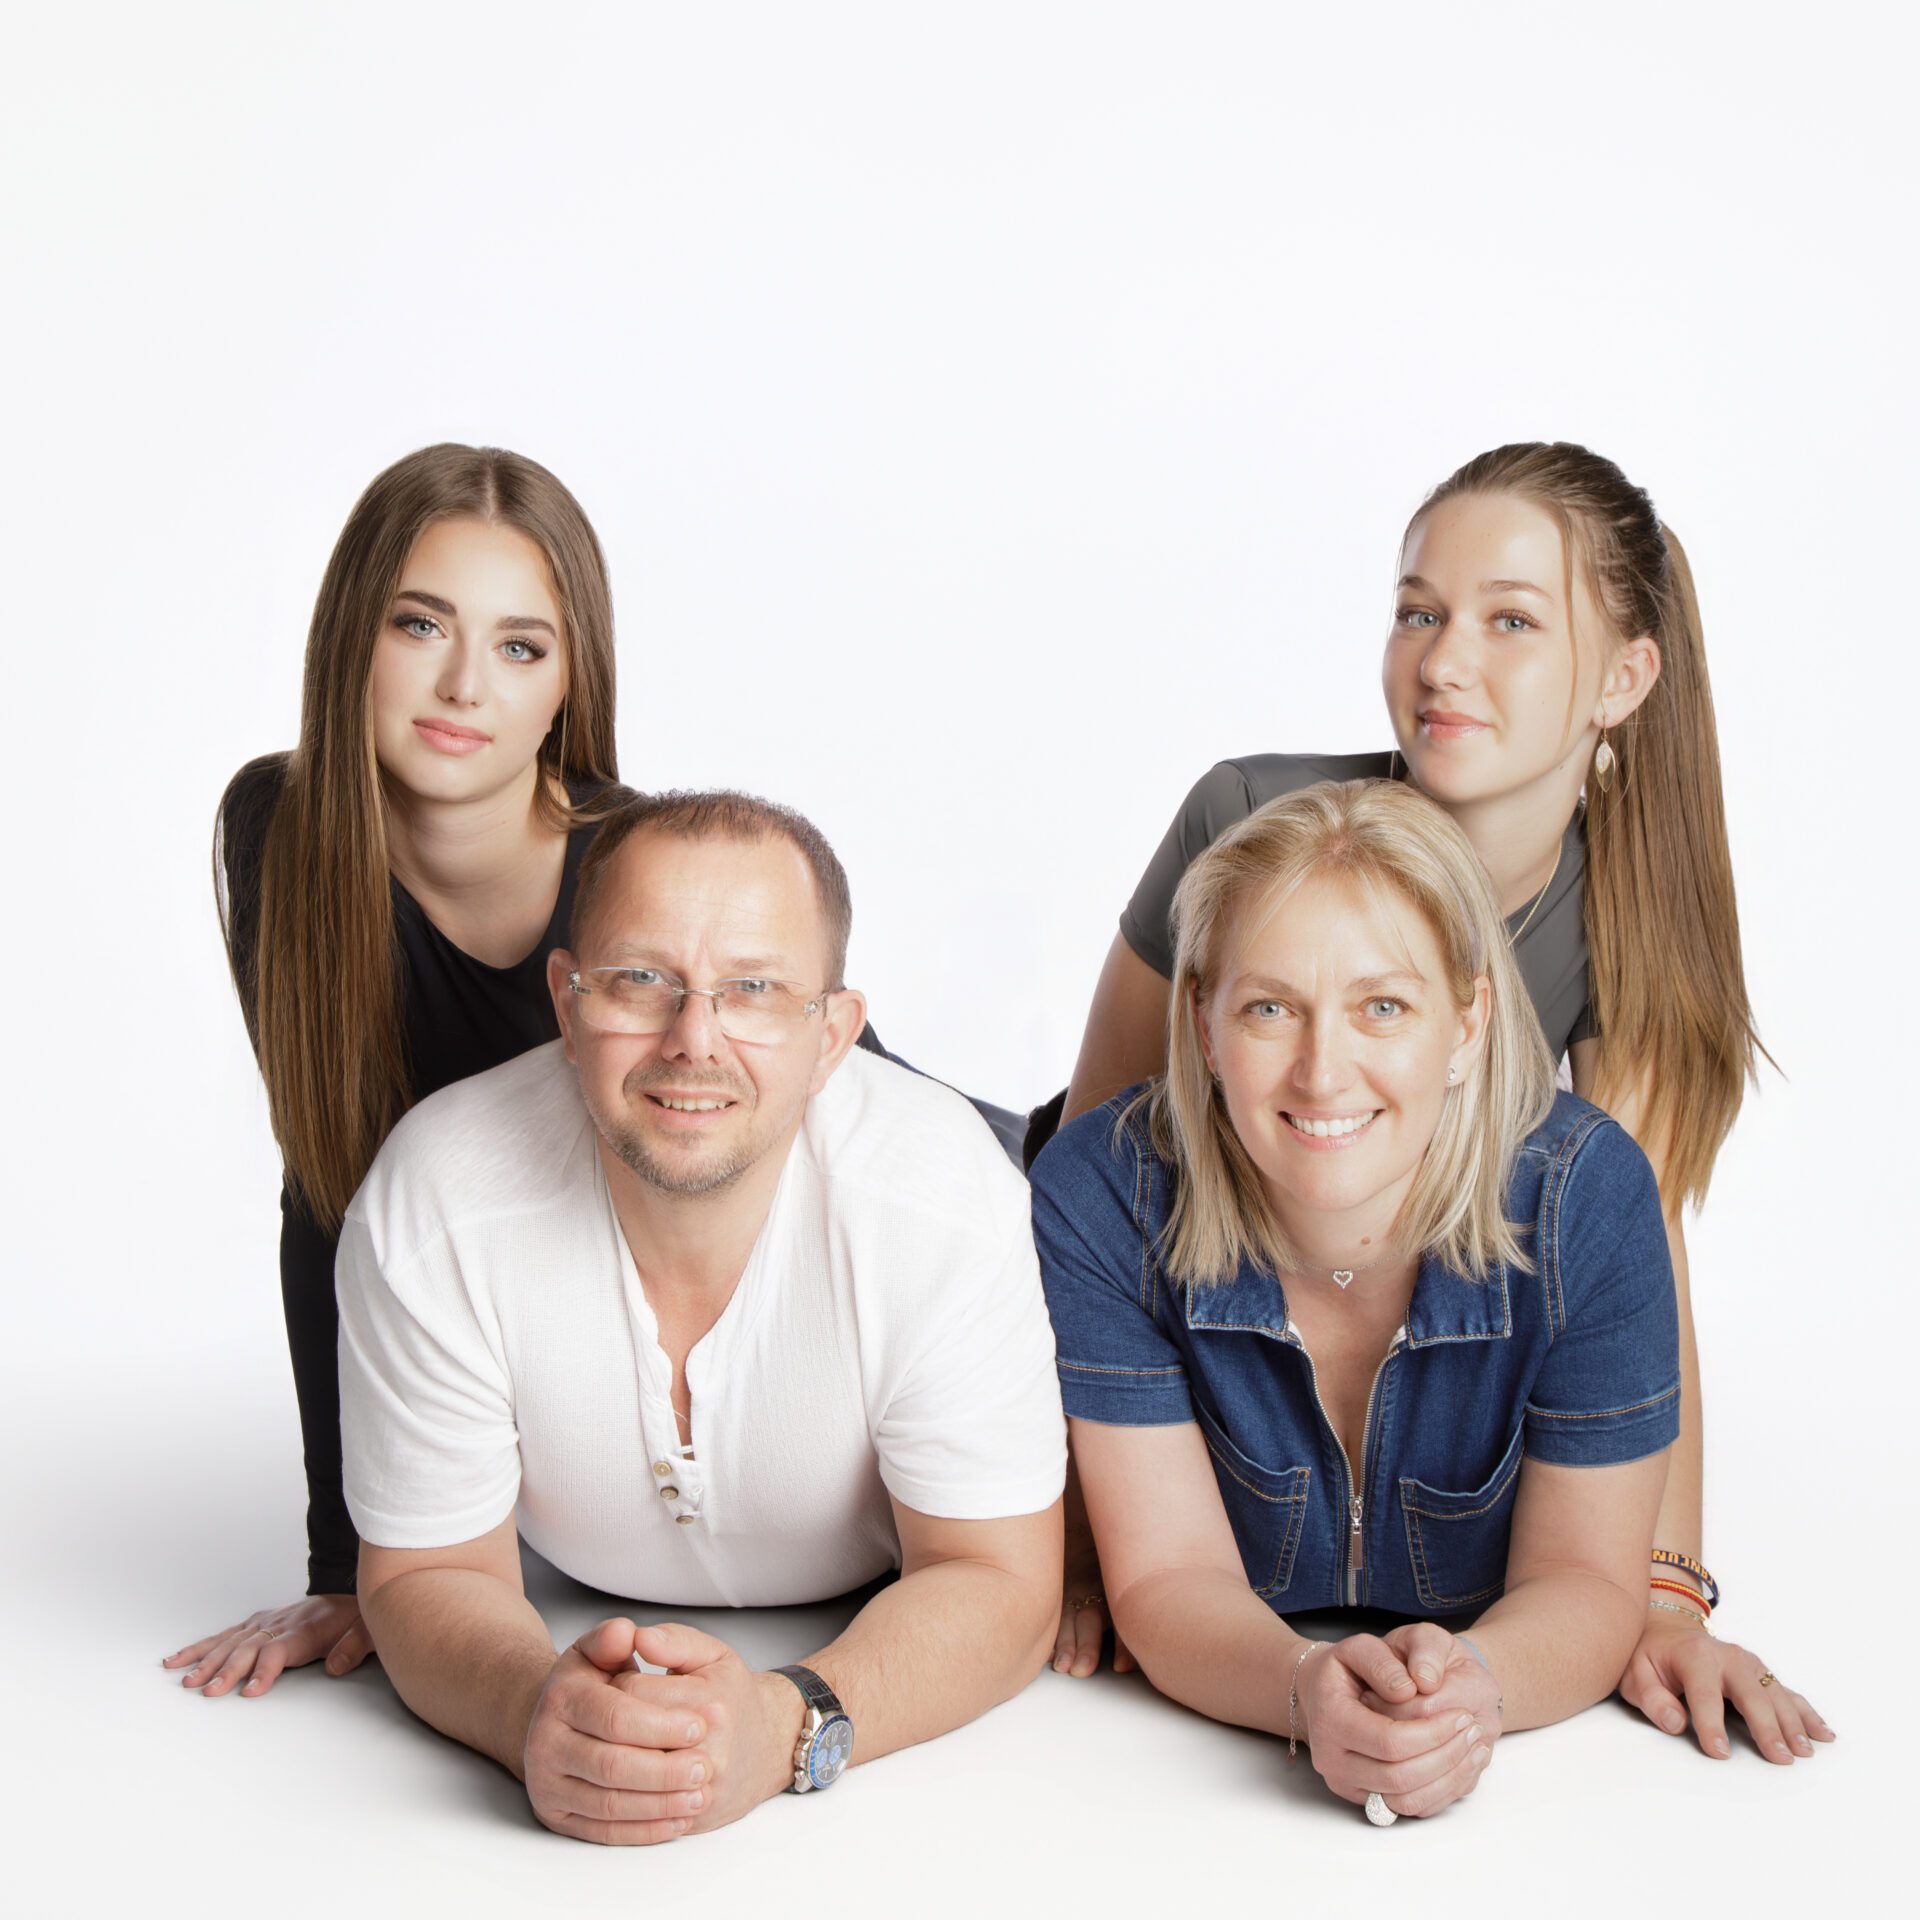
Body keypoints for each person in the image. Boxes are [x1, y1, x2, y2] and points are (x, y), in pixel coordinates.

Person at [1044, 442, 1833, 1763]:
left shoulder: (1623, 922)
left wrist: (1662, 1595)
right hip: (1126, 1230)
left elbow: (1636, 1260)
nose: (1444, 661)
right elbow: (1104, 1159)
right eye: (1420, 612)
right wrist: (1072, 1532)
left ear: (1623, 678)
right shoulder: (1254, 816)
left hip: (1376, 1241)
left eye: (1510, 622)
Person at [1034, 780, 1792, 1821]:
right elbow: (1166, 1579)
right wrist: (1304, 1690)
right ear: (1204, 1022)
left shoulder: (1587, 1202)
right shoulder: (1101, 1194)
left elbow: (1585, 1580)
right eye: (1268, 1008)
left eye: (1382, 1007)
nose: (1323, 1072)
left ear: (1469, 1022)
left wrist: (1472, 1693)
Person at [339, 791, 1065, 1843]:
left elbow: (999, 1579)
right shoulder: (435, 1203)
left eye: (755, 989)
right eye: (640, 980)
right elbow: (427, 1571)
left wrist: (785, 1725)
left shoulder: (945, 1200)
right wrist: (532, 1712)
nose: (693, 1040)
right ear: (565, 1002)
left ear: (834, 1036)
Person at [165, 444, 633, 1697]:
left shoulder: (634, 858)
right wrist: (347, 1566)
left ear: (566, 688)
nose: (464, 683)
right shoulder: (279, 830)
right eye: (420, 624)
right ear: (350, 638)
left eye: (521, 647)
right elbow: (330, 1191)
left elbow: (848, 1134)